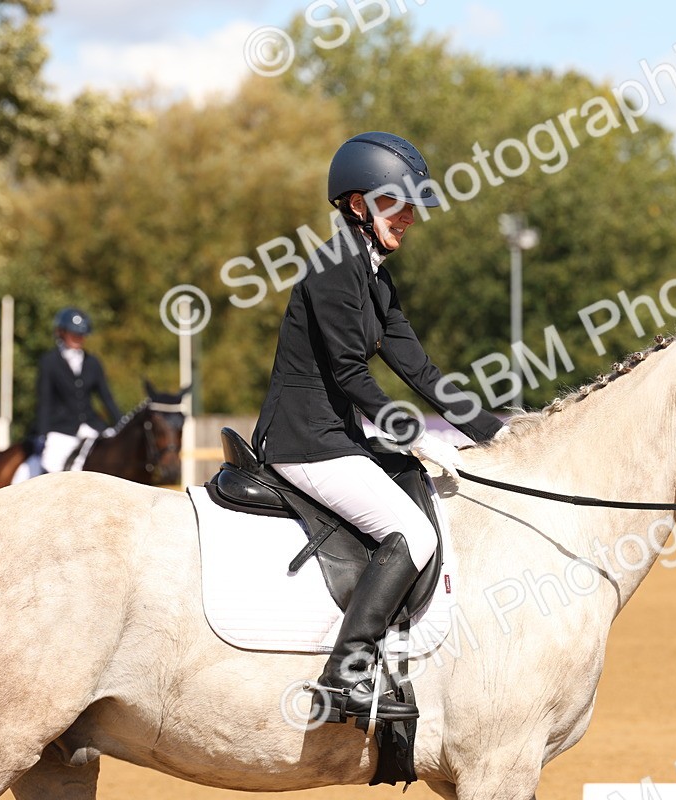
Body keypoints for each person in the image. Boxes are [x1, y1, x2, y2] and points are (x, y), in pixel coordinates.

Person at [252, 131, 505, 723]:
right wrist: (409, 429)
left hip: (337, 435)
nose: (411, 217)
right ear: (359, 204)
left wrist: (497, 432)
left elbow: (418, 368)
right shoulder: (333, 266)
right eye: (400, 203)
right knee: (411, 536)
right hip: (304, 439)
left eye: (414, 206)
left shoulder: (374, 276)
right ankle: (346, 674)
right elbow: (346, 373)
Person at [15, 307, 123, 483]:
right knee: (52, 464)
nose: (79, 338)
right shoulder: (49, 362)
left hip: (92, 426)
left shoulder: (93, 362)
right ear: (61, 333)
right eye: (74, 334)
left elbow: (106, 398)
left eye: (81, 334)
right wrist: (42, 434)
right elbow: (45, 402)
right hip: (61, 429)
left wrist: (121, 423)